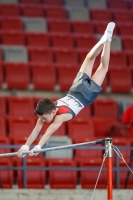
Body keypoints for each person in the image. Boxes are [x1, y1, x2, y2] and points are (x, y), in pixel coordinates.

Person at [17, 22, 115, 158]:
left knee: (102, 67)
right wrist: (26, 146)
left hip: (85, 95)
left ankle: (106, 39)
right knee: (90, 59)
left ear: (52, 111)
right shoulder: (46, 112)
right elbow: (36, 130)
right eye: (42, 118)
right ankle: (105, 39)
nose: (44, 120)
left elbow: (48, 132)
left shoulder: (60, 116)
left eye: (44, 118)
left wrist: (38, 146)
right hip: (76, 88)